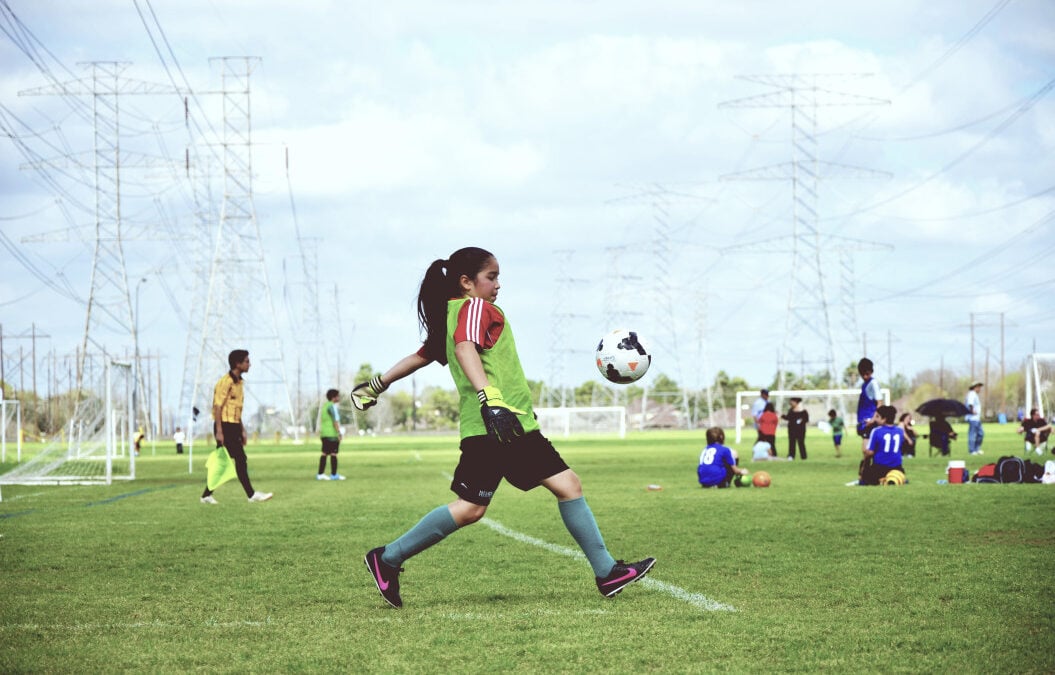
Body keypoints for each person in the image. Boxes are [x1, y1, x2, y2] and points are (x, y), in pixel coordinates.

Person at [356, 247, 654, 608]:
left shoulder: (451, 314)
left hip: (497, 425)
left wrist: (377, 384)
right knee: (537, 493)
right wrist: (490, 399)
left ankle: (387, 559)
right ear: (467, 283)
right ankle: (606, 573)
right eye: (491, 277)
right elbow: (465, 348)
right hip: (500, 423)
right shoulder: (474, 308)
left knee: (488, 504)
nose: (498, 285)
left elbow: (421, 357)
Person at [200, 349, 273, 505]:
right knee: (240, 458)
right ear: (237, 364)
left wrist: (242, 430)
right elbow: (218, 407)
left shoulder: (240, 383)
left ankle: (206, 495)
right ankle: (251, 494)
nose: (250, 364)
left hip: (233, 426)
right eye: (247, 361)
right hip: (224, 426)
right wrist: (219, 431)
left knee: (223, 462)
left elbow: (237, 409)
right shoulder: (225, 382)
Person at [859, 405, 906, 486]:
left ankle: (872, 479)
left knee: (865, 463)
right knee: (898, 476)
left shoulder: (876, 431)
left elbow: (870, 453)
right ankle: (893, 478)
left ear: (884, 419)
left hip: (879, 468)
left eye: (877, 416)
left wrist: (864, 469)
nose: (875, 419)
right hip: (897, 468)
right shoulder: (900, 431)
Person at [317, 388, 346, 480]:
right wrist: (339, 433)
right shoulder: (332, 406)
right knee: (333, 453)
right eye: (338, 396)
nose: (339, 397)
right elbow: (335, 421)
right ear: (334, 397)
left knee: (324, 453)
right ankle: (334, 475)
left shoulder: (325, 406)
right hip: (332, 434)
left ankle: (320, 474)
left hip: (324, 434)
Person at [856, 358, 881, 441]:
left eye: (867, 374)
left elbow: (879, 403)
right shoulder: (864, 385)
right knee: (867, 451)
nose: (864, 376)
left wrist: (873, 420)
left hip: (871, 422)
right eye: (862, 374)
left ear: (871, 371)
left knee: (868, 451)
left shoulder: (873, 383)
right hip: (864, 422)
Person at [964, 381, 984, 456]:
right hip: (972, 418)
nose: (980, 389)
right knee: (972, 434)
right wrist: (972, 411)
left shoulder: (975, 394)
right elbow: (970, 404)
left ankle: (977, 448)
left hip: (976, 418)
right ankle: (972, 450)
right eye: (979, 387)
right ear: (975, 387)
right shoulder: (972, 394)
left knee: (981, 434)